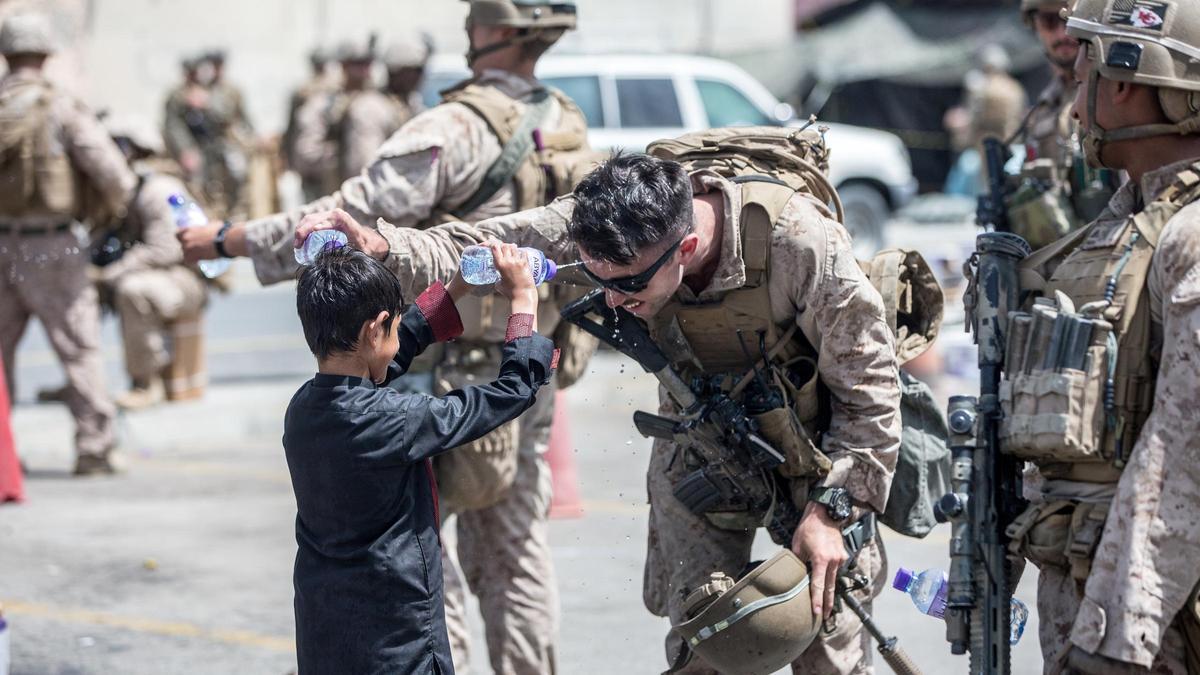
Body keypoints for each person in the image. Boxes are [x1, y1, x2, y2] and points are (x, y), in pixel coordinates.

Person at [295, 139, 904, 673]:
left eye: (628, 285)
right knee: (705, 641)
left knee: (827, 643)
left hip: (822, 457)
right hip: (704, 448)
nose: (611, 301)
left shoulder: (800, 244)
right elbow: (495, 243)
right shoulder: (607, 228)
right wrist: (384, 243)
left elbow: (872, 389)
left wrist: (833, 510)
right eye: (596, 280)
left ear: (685, 248)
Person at [179, 3, 595, 672]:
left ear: (487, 31)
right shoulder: (563, 120)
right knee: (517, 553)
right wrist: (495, 296)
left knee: (428, 548)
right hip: (520, 359)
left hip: (452, 372)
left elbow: (343, 218)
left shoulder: (453, 126)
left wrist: (228, 239)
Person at [1000, 1, 1200, 672]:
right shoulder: (1122, 224)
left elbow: (1185, 448)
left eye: (1086, 62)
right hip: (1094, 593)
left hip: (1154, 622)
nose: (1074, 103)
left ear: (1123, 80)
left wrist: (1120, 633)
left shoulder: (1190, 237)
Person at [284, 242, 556, 674]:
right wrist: (524, 298)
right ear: (375, 330)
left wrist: (458, 287)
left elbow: (394, 349)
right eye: (389, 330)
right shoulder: (395, 420)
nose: (396, 341)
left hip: (325, 629)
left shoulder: (303, 408)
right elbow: (510, 393)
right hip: (396, 637)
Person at [0, 13, 136, 476]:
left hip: (1, 245)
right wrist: (102, 219)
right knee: (79, 348)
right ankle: (94, 448)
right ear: (45, 52)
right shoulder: (60, 106)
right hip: (54, 246)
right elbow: (115, 175)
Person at [93, 115, 208, 410]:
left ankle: (146, 382)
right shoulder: (125, 188)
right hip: (159, 274)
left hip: (184, 279)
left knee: (133, 290)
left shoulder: (161, 189)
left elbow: (164, 249)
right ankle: (84, 384)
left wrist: (108, 274)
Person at [1008, 0, 1118, 249]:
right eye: (1049, 22)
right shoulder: (1043, 109)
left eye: (1068, 20)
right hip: (1059, 257)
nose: (1061, 33)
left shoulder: (1115, 93)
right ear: (1034, 26)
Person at [290, 37, 408, 196]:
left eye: (367, 63)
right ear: (344, 65)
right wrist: (340, 156)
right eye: (357, 64)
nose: (364, 70)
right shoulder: (324, 104)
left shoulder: (384, 103)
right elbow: (306, 156)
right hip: (335, 194)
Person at [282, 47, 339, 200]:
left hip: (316, 152)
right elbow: (293, 126)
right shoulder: (329, 88)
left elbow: (291, 128)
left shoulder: (327, 88)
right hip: (321, 152)